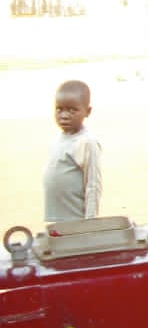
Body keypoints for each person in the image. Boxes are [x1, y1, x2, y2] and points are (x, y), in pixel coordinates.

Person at [44, 79, 103, 223]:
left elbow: (93, 184)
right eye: (59, 109)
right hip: (57, 217)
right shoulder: (59, 139)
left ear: (87, 111)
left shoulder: (86, 142)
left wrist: (90, 221)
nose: (64, 115)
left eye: (72, 110)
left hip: (76, 220)